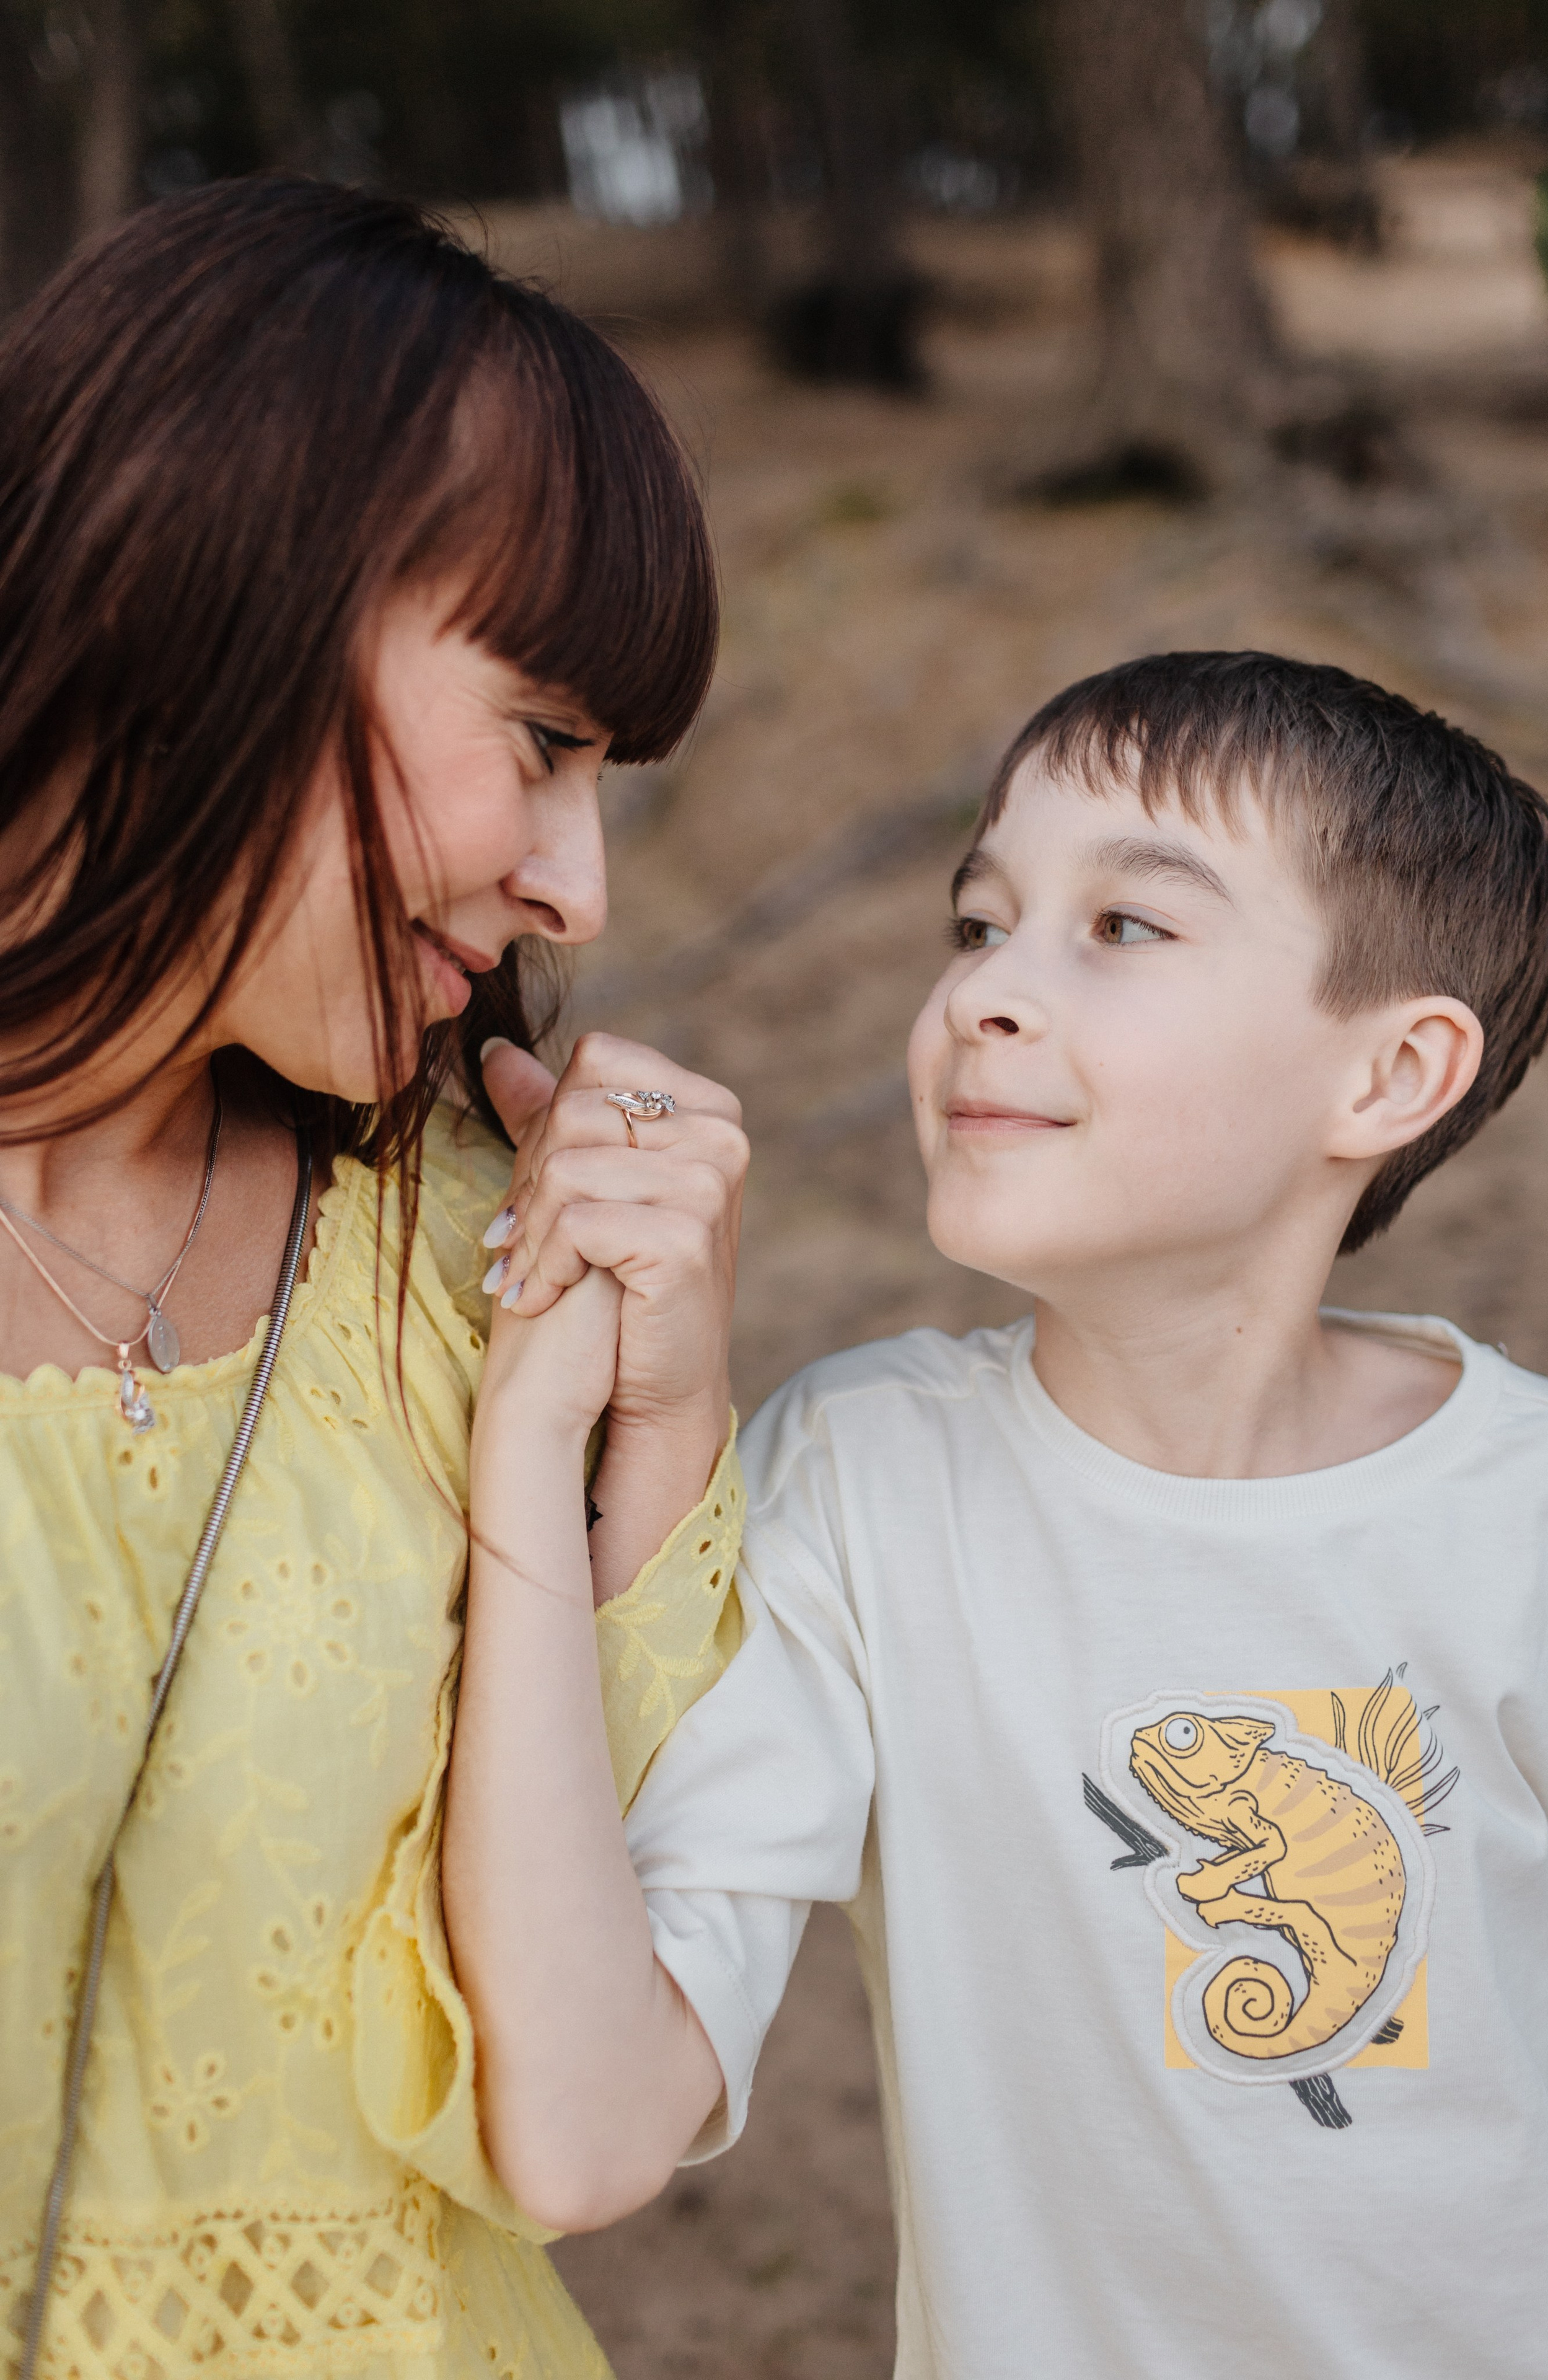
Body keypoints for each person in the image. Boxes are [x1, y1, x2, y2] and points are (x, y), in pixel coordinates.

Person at [465, 651, 1548, 2379]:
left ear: (1390, 1078)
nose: (985, 993)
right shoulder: (865, 1486)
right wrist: (567, 1414)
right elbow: (591, 2124)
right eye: (978, 924)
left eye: (1127, 928)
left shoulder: (1540, 1517)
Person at [0, 179, 747, 2380]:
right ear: (226, 584)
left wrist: (652, 1423)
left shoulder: (470, 1247)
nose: (575, 886)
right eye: (541, 740)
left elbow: (578, 2092)